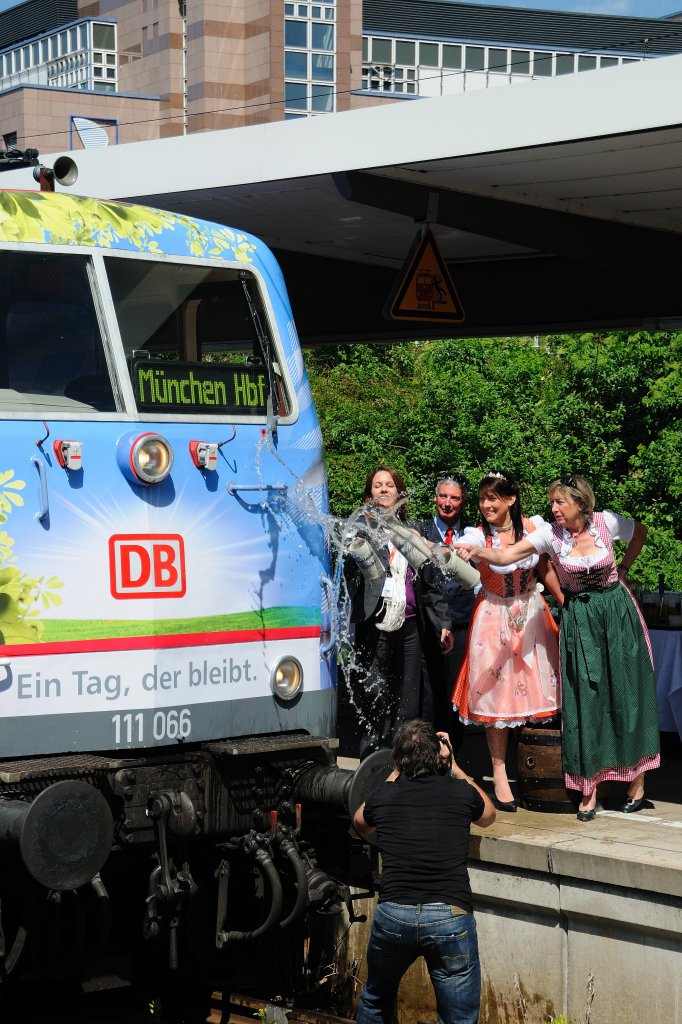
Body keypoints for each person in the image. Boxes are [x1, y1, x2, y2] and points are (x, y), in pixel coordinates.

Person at [454, 474, 660, 821]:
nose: (553, 509)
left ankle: (637, 782)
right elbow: (506, 556)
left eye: (559, 502)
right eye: (551, 502)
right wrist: (476, 550)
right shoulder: (550, 533)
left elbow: (639, 531)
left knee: (628, 694)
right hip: (580, 618)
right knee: (584, 700)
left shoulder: (605, 522)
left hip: (617, 614)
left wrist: (624, 567)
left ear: (580, 503)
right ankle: (588, 789)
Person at [353, 719, 495, 1024]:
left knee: (376, 999)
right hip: (450, 917)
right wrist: (455, 766)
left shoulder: (384, 796)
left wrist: (395, 771)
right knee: (458, 1018)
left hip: (394, 915)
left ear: (398, 760)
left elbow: (359, 821)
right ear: (437, 755)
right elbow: (489, 815)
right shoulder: (459, 792)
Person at [451, 470, 561, 811]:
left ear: (510, 499)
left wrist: (565, 600)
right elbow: (462, 551)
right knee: (496, 699)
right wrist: (460, 552)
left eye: (492, 499)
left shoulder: (534, 528)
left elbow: (546, 569)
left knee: (533, 694)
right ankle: (499, 771)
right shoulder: (477, 535)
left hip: (530, 612)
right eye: (483, 499)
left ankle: (532, 766)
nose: (485, 505)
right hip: (492, 617)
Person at [345, 466, 453, 759]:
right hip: (375, 625)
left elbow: (431, 583)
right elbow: (348, 575)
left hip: (409, 628)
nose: (383, 489)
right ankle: (371, 761)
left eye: (389, 485)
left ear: (399, 493)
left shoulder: (413, 531)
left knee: (408, 699)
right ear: (369, 495)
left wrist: (443, 622)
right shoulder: (359, 531)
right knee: (374, 694)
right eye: (377, 485)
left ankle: (404, 760)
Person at [416, 474, 476, 750]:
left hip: (463, 626)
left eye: (454, 498)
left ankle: (453, 760)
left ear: (463, 503)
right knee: (427, 696)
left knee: (455, 696)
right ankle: (424, 757)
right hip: (426, 626)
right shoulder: (419, 530)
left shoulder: (475, 537)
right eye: (443, 496)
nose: (447, 503)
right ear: (435, 498)